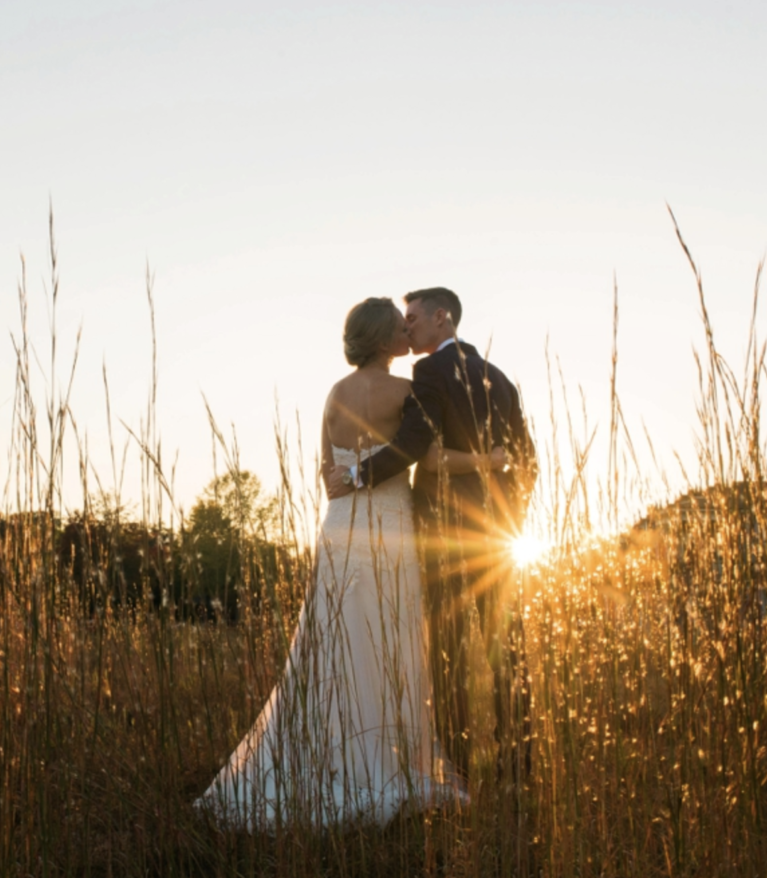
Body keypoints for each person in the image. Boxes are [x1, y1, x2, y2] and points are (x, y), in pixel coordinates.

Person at [195, 297, 502, 829]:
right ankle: (386, 759)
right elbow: (423, 456)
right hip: (387, 528)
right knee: (389, 640)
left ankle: (321, 754)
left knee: (330, 642)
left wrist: (346, 479)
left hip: (339, 529)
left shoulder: (334, 395)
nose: (408, 333)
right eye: (400, 327)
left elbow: (324, 469)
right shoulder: (408, 390)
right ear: (385, 340)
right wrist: (488, 460)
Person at [329, 287, 537, 783]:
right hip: (497, 538)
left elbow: (415, 446)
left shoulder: (427, 373)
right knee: (507, 649)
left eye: (415, 317)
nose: (408, 327)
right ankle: (519, 765)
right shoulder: (502, 379)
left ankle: (460, 769)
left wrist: (357, 476)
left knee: (445, 653)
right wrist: (511, 519)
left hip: (444, 536)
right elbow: (527, 461)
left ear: (442, 317)